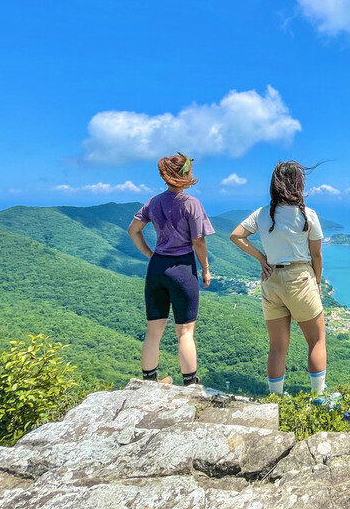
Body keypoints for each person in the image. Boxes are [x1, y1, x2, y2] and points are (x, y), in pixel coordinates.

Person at [229, 161, 328, 397]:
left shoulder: (262, 214)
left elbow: (236, 235)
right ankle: (318, 399)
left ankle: (276, 400)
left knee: (277, 348)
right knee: (316, 341)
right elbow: (316, 255)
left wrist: (262, 258)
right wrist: (317, 282)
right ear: (298, 184)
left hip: (271, 279)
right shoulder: (307, 215)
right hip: (299, 278)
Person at [127, 152, 214, 387]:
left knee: (153, 333)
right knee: (185, 333)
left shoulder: (153, 202)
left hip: (156, 268)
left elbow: (133, 230)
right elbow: (198, 241)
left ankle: (148, 381)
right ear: (185, 174)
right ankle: (190, 385)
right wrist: (205, 269)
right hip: (182, 269)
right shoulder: (191, 204)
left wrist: (150, 254)